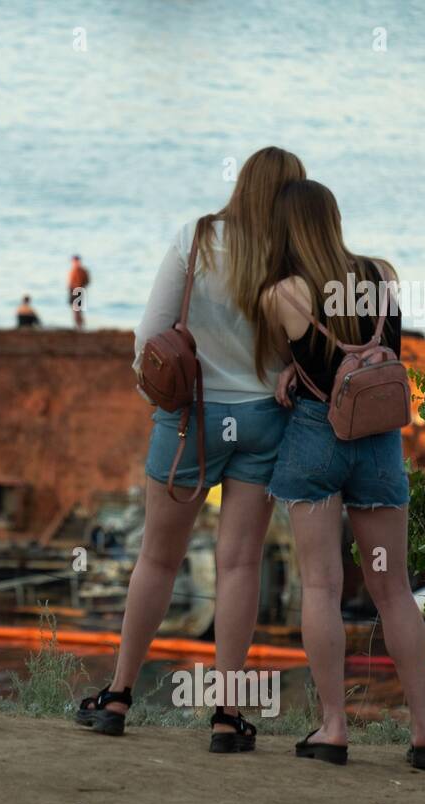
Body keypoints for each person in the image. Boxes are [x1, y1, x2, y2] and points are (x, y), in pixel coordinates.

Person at [75, 146, 305, 749]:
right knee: (239, 564)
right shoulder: (292, 255)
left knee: (157, 558)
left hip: (191, 421)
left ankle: (119, 696)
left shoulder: (197, 237)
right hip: (262, 422)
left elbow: (150, 332)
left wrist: (152, 389)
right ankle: (228, 716)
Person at [261, 180, 425, 770]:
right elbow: (380, 347)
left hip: (318, 440)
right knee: (394, 591)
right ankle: (424, 735)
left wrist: (291, 371)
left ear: (288, 230)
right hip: (380, 444)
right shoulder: (382, 273)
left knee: (321, 587)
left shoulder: (282, 292)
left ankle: (334, 727)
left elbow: (295, 360)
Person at [67, 255, 90, 328]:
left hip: (79, 290)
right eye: (73, 261)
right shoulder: (73, 269)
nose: (74, 262)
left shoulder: (82, 270)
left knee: (78, 310)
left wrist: (81, 287)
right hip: (72, 290)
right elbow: (70, 282)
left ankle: (80, 325)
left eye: (75, 261)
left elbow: (87, 281)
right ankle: (78, 325)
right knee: (75, 309)